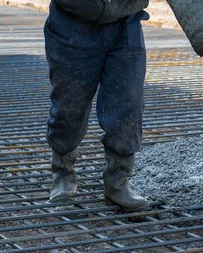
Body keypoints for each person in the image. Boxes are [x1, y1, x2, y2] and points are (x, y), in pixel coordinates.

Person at [44, 0, 151, 211]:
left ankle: (118, 182)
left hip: (126, 23)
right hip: (72, 24)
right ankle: (63, 173)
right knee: (69, 106)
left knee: (128, 104)